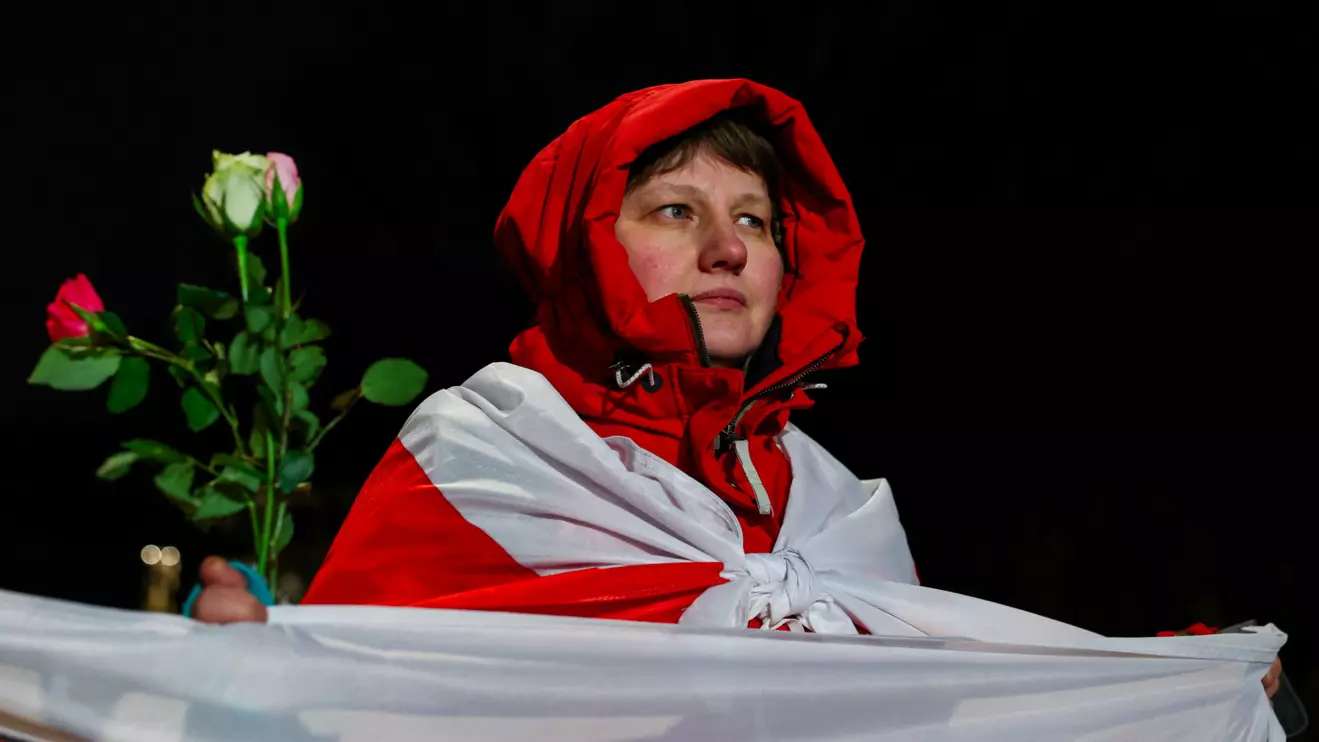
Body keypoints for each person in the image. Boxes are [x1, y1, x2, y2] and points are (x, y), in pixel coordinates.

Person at [189, 79, 1284, 697]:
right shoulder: (486, 448)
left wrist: (1157, 689)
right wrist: (245, 662)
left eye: (754, 219)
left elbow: (934, 717)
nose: (727, 247)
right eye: (674, 210)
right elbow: (354, 699)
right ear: (586, 246)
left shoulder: (828, 504)